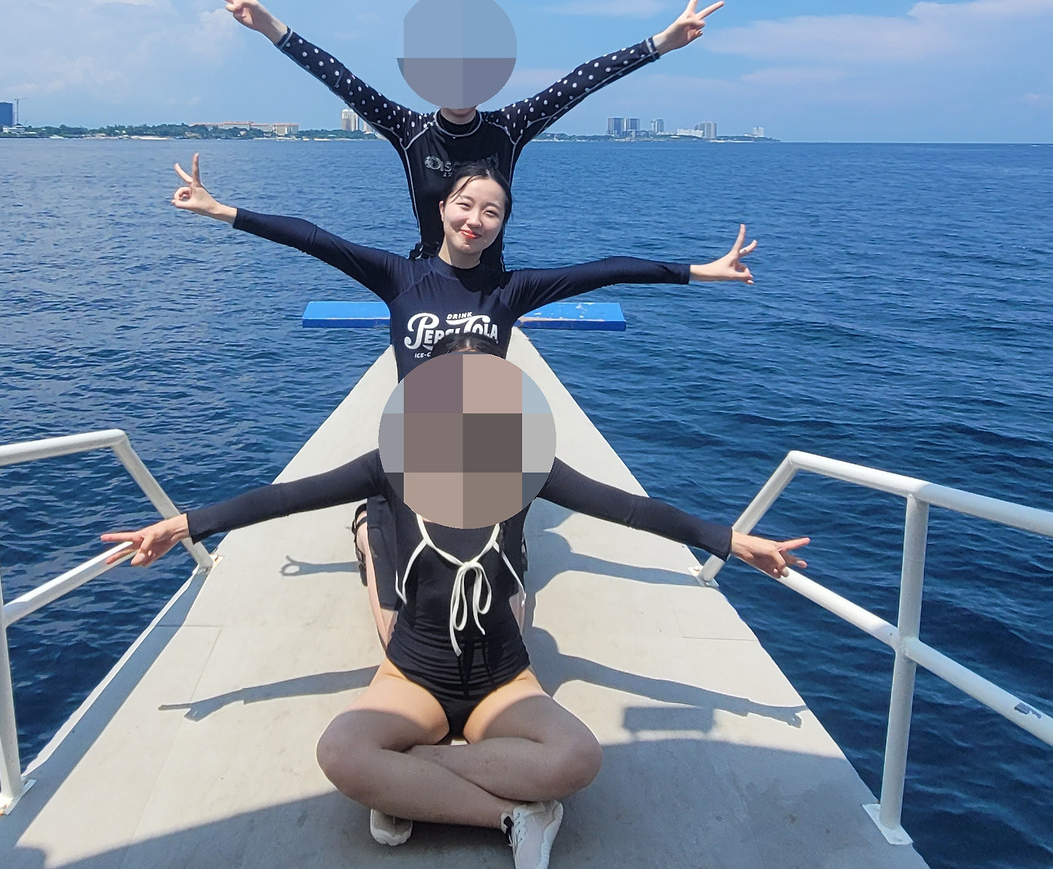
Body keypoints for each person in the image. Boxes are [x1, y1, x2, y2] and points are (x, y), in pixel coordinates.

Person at [102, 344, 808, 869]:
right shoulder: (391, 467)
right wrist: (185, 525)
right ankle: (513, 817)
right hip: (413, 675)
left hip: (504, 680)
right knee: (341, 753)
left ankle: (409, 783)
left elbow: (629, 508)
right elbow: (286, 497)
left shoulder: (529, 469)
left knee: (579, 758)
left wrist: (728, 540)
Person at [170, 154, 757, 646]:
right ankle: (372, 527)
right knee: (401, 612)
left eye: (491, 212)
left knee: (505, 614)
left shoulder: (510, 290)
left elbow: (605, 271)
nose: (475, 220)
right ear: (443, 209)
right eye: (465, 204)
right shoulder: (401, 278)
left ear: (502, 225)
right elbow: (315, 240)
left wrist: (698, 272)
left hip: (487, 445)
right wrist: (221, 210)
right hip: (416, 448)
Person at [205, 0, 724, 262]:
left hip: (490, 282)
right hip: (423, 277)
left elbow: (581, 81)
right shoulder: (409, 130)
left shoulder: (508, 128)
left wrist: (660, 44)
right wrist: (269, 26)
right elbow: (340, 78)